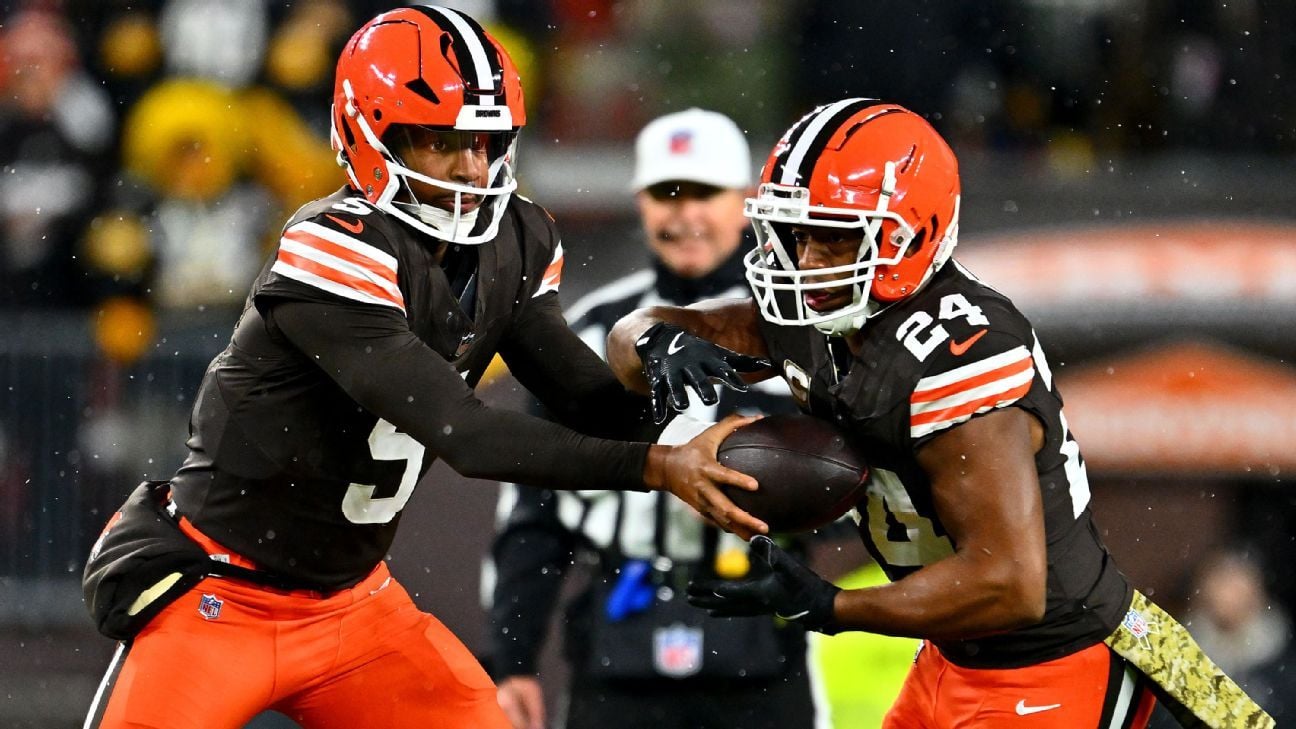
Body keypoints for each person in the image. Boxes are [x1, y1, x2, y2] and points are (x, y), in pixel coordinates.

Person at [77, 8, 767, 729]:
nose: (472, 168)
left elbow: (586, 400)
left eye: (485, 141)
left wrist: (664, 383)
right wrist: (660, 464)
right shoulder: (335, 250)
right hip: (220, 593)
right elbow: (467, 435)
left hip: (351, 605)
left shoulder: (513, 239)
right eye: (442, 142)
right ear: (369, 137)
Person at [607, 98, 1275, 729]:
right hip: (954, 651)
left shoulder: (959, 355)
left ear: (910, 236)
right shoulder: (824, 311)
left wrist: (831, 604)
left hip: (1050, 659)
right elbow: (632, 332)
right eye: (794, 232)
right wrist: (656, 342)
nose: (804, 261)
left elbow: (1011, 583)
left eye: (833, 237)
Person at [487, 108, 828, 729]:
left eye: (704, 192)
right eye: (667, 193)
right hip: (618, 638)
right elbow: (535, 515)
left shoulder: (809, 329)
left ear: (746, 202)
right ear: (641, 202)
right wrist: (511, 658)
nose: (685, 214)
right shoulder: (589, 331)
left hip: (763, 629)